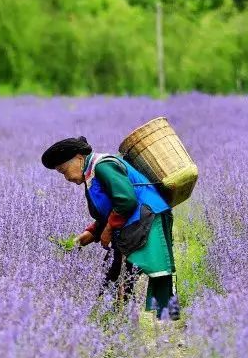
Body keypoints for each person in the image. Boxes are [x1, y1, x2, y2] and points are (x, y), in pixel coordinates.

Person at [41, 135, 178, 319]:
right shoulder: (90, 173)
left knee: (155, 271)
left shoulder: (102, 166)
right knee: (114, 270)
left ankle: (164, 322)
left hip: (146, 217)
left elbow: (126, 200)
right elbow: (108, 211)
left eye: (64, 170)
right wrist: (87, 236)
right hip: (132, 221)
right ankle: (116, 318)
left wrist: (108, 229)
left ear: (79, 159)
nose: (66, 178)